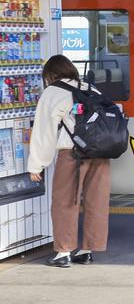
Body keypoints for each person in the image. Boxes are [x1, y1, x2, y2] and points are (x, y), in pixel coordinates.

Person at [28, 55, 111, 268]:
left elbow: (43, 132)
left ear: (50, 75)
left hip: (73, 155)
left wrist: (37, 165)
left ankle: (63, 252)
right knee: (96, 202)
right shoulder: (90, 87)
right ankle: (86, 250)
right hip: (101, 154)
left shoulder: (53, 92)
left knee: (65, 201)